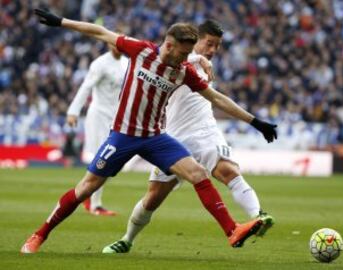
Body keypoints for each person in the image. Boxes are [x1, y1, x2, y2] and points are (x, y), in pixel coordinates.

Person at [21, 9, 277, 254]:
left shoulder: (183, 71)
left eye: (189, 54)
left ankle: (232, 230)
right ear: (168, 45)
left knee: (198, 173)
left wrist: (255, 122)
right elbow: (100, 32)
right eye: (183, 53)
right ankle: (40, 234)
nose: (185, 59)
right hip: (123, 135)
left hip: (155, 137)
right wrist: (61, 22)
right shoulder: (141, 50)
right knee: (86, 189)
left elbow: (217, 98)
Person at [102, 20, 273, 254]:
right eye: (209, 44)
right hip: (171, 139)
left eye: (217, 46)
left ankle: (258, 217)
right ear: (195, 41)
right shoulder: (177, 62)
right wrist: (196, 58)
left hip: (205, 133)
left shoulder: (201, 67)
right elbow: (159, 56)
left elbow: (218, 99)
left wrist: (256, 122)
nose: (212, 50)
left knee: (228, 171)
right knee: (153, 198)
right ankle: (127, 239)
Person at [66, 43, 129, 216]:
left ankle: (89, 196)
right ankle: (94, 203)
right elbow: (86, 86)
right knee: (100, 157)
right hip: (99, 115)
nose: (118, 46)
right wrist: (73, 111)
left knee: (111, 158)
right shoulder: (100, 63)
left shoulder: (126, 63)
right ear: (109, 43)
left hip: (116, 117)